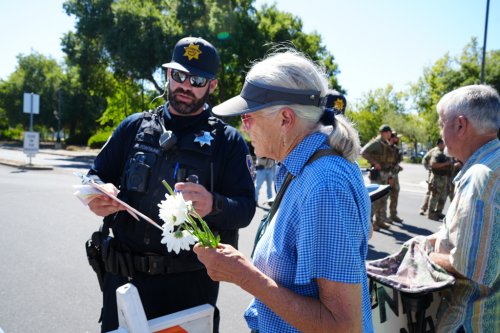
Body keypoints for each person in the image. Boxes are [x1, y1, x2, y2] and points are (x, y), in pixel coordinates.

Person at [194, 49, 373, 332]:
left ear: (286, 119)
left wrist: (245, 276)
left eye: (249, 116)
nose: (244, 126)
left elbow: (344, 327)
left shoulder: (324, 184)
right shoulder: (307, 168)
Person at [85, 36, 256, 332]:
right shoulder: (134, 127)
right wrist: (98, 194)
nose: (185, 86)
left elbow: (245, 209)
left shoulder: (228, 143)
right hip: (124, 281)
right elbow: (95, 175)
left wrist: (213, 204)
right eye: (178, 75)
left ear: (212, 85)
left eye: (198, 79)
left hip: (187, 289)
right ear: (167, 75)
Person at [426, 84, 499, 332]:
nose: (440, 131)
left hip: (472, 321)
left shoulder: (482, 177)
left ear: (460, 125)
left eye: (441, 123)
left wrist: (425, 256)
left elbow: (469, 267)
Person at [361, 124, 396, 230]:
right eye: (388, 132)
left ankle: (379, 220)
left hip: (385, 174)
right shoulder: (376, 143)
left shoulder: (386, 143)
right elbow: (364, 152)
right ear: (383, 132)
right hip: (378, 174)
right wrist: (375, 163)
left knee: (383, 198)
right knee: (375, 199)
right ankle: (369, 223)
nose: (390, 134)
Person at [421, 138, 453, 221]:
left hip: (445, 177)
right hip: (437, 177)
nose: (445, 145)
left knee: (443, 196)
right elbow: (433, 164)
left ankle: (438, 212)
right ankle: (430, 213)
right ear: (439, 144)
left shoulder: (446, 152)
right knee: (434, 195)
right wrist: (446, 164)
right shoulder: (436, 153)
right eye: (443, 143)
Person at [388, 131, 403, 223]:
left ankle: (393, 214)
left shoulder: (395, 148)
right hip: (388, 174)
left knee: (395, 193)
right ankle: (379, 218)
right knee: (383, 197)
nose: (398, 139)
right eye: (396, 137)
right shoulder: (387, 148)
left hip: (394, 174)